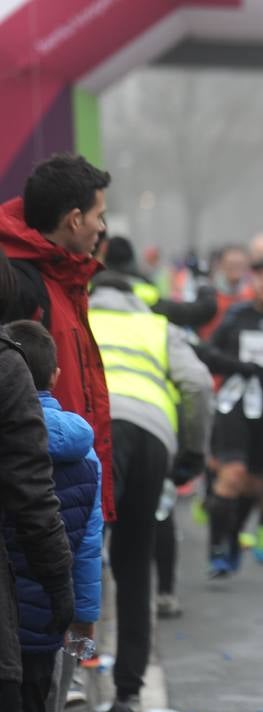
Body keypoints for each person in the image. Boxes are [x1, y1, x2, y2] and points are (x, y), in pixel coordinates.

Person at [90, 256, 211, 712]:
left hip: (96, 432)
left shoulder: (79, 314)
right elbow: (198, 383)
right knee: (134, 563)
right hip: (153, 437)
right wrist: (194, 453)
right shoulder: (157, 326)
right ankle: (126, 695)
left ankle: (74, 676)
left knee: (80, 548)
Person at [1, 319, 100, 712]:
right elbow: (87, 549)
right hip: (49, 620)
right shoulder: (85, 456)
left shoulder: (9, 438)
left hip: (10, 614)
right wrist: (80, 621)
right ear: (57, 376)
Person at [0, 153, 115, 522]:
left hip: (65, 480)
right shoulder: (22, 285)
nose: (102, 227)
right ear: (75, 219)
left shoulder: (64, 277)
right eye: (99, 216)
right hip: (41, 494)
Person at [195, 257, 263, 577]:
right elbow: (208, 353)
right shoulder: (237, 316)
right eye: (259, 278)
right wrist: (235, 365)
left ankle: (232, 535)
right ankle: (217, 548)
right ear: (251, 283)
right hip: (235, 405)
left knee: (254, 484)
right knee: (232, 476)